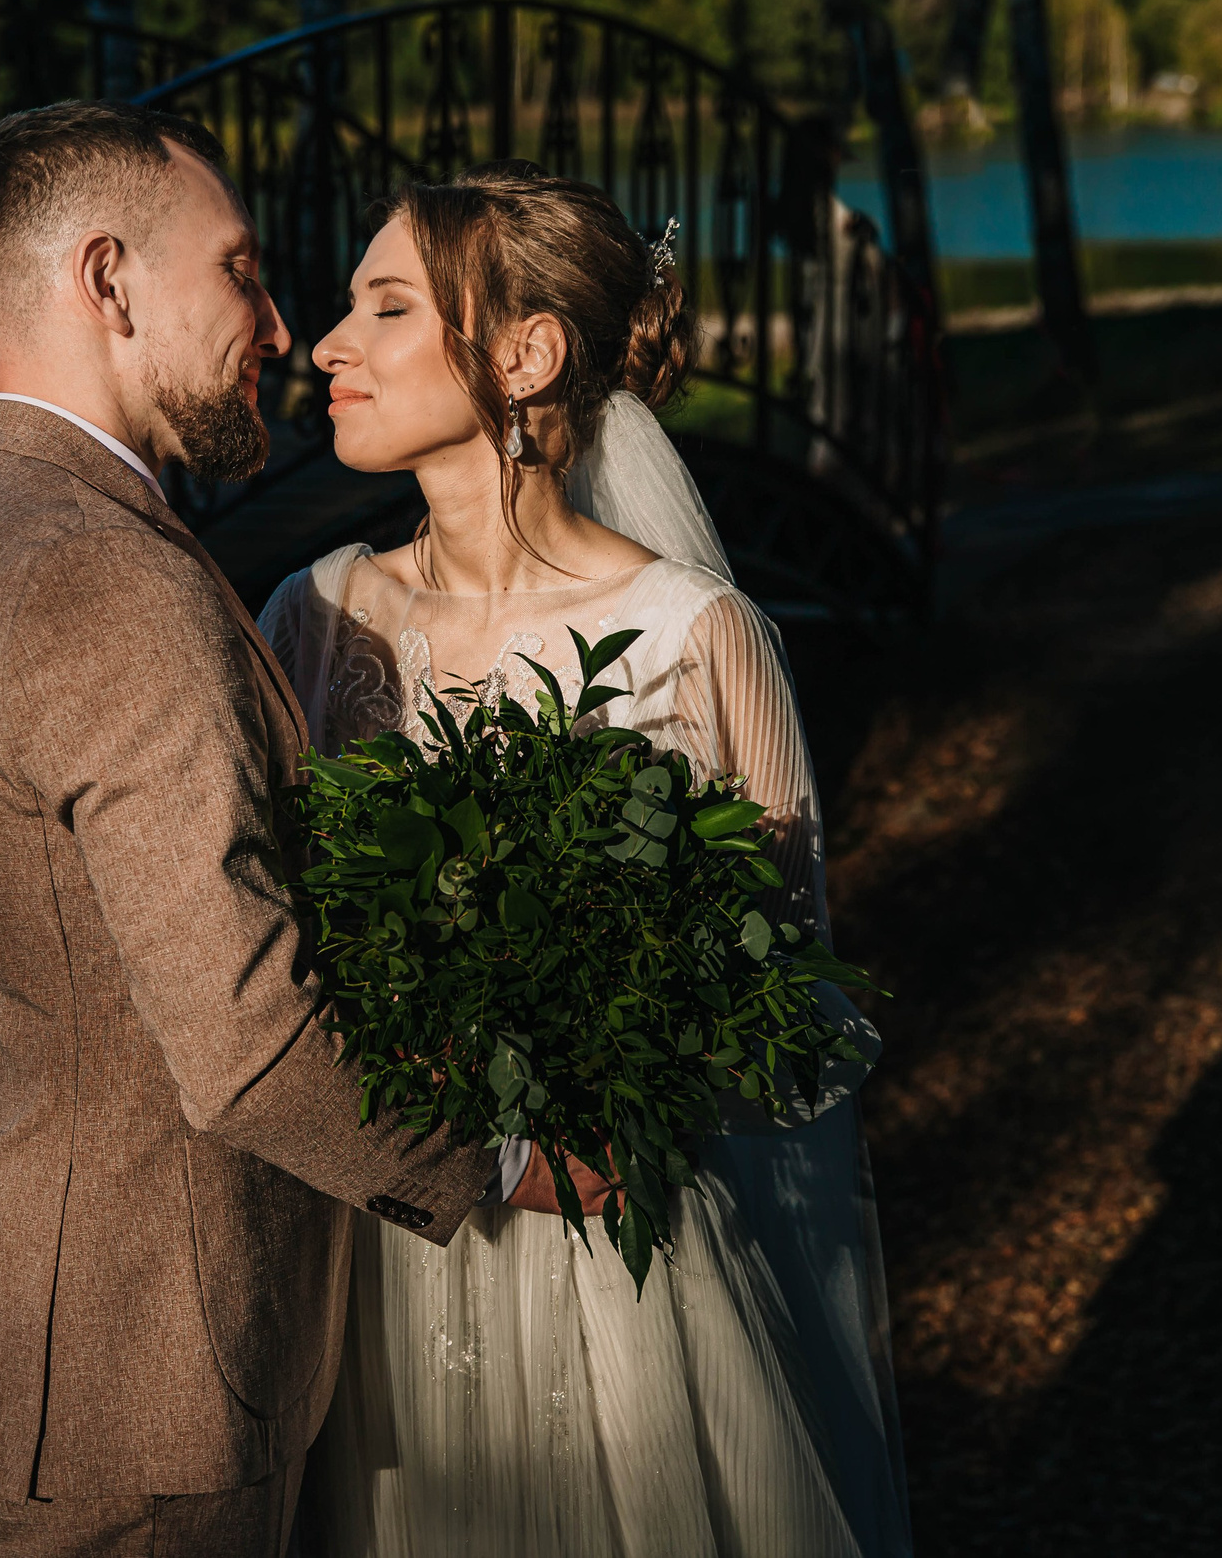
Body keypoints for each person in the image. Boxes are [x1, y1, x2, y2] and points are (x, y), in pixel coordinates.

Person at [0, 101, 513, 1558]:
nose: (281, 325)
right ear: (108, 280)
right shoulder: (108, 579)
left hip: (41, 1328)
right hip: (154, 1359)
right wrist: (510, 1159)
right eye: (239, 270)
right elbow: (251, 1043)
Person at [258, 162, 914, 1557]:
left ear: (525, 352)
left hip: (626, 1282)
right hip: (377, 1268)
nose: (328, 344)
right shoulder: (310, 622)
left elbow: (795, 1015)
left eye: (383, 307)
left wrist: (611, 1058)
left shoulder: (699, 633)